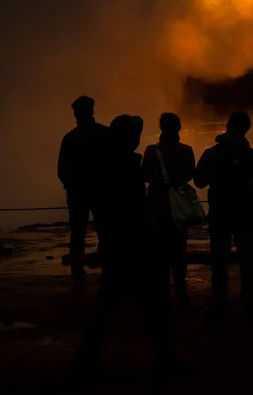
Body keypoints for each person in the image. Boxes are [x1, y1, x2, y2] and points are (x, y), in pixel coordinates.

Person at [77, 115, 172, 372]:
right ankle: (164, 359)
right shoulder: (124, 167)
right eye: (134, 133)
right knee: (148, 306)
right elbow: (133, 211)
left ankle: (85, 359)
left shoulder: (105, 164)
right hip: (130, 246)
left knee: (109, 306)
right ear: (128, 138)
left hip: (116, 245)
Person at [194, 112, 253, 322]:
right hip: (245, 212)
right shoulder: (251, 154)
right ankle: (250, 304)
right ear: (246, 128)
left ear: (227, 127)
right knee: (247, 259)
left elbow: (199, 181)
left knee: (219, 260)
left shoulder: (211, 153)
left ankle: (218, 304)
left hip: (220, 211)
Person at [143, 113, 196, 306]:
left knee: (158, 251)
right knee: (179, 249)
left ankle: (162, 290)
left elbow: (146, 175)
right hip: (179, 205)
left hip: (157, 204)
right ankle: (180, 288)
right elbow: (191, 174)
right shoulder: (186, 150)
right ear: (179, 127)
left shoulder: (150, 151)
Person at [57, 96, 109, 288]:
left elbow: (62, 170)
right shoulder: (104, 133)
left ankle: (78, 275)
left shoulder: (70, 138)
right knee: (105, 231)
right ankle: (108, 270)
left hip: (78, 193)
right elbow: (113, 162)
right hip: (101, 191)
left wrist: (71, 186)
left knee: (77, 233)